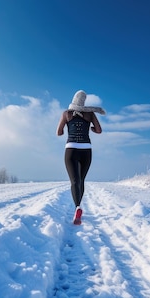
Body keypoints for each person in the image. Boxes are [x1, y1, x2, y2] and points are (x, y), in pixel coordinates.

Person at [56, 90, 105, 225]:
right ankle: (78, 208)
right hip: (86, 150)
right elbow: (99, 130)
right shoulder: (90, 113)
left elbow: (58, 133)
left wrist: (67, 127)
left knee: (74, 181)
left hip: (71, 149)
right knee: (82, 180)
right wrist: (90, 129)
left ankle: (77, 206)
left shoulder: (66, 113)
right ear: (84, 101)